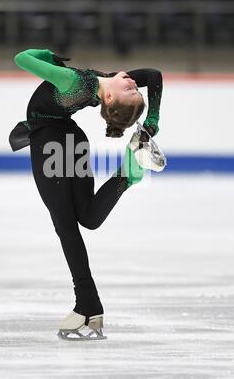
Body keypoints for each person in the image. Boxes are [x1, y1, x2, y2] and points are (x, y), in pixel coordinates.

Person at [9, 48, 163, 340]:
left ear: (108, 99)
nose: (133, 83)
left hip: (51, 142)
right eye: (133, 88)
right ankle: (129, 171)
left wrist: (46, 55)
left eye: (131, 91)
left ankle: (87, 304)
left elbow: (21, 59)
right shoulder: (101, 80)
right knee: (88, 218)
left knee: (66, 226)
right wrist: (152, 120)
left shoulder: (73, 82)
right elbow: (154, 76)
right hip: (71, 139)